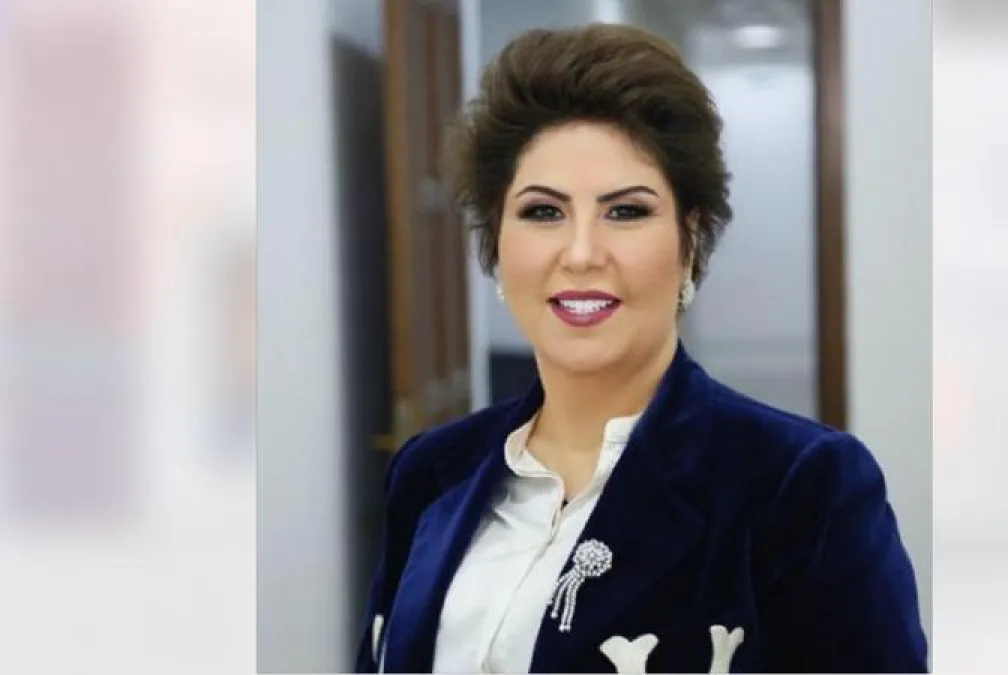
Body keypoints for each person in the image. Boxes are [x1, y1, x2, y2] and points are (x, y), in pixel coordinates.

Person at [356, 23, 927, 674]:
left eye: (625, 211)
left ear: (690, 240)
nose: (580, 254)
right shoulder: (431, 473)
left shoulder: (800, 487)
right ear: (495, 245)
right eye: (543, 212)